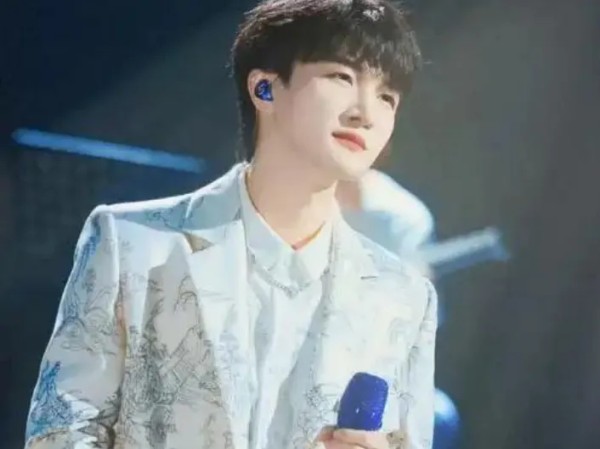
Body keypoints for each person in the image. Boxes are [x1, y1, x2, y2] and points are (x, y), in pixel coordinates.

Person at [24, 1, 437, 449]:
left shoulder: (403, 297)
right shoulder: (133, 245)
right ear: (265, 89)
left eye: (387, 96)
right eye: (342, 77)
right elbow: (60, 434)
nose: (366, 112)